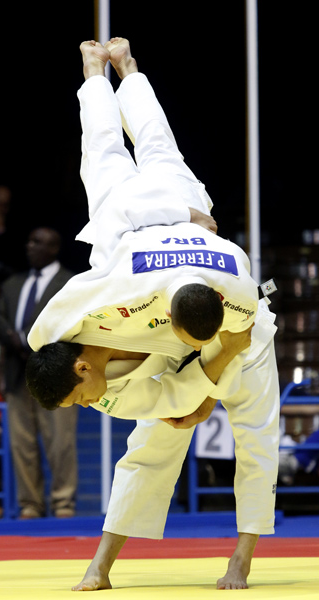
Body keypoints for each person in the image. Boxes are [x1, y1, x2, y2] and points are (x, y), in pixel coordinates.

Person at [26, 38, 280, 589]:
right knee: (151, 444)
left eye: (76, 398)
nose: (84, 406)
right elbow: (179, 405)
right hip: (164, 242)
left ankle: (112, 69)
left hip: (231, 319)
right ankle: (116, 69)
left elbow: (239, 334)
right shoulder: (74, 331)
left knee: (113, 151)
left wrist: (182, 214)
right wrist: (187, 216)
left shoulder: (104, 295)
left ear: (80, 369)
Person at [0, 226, 78, 519]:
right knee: (22, 444)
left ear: (54, 248)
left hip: (57, 375)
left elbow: (71, 320)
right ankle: (30, 504)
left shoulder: (71, 283)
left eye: (38, 242)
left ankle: (63, 502)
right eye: (29, 241)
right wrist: (13, 337)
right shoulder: (13, 284)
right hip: (18, 375)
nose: (30, 246)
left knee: (60, 442)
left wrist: (27, 337)